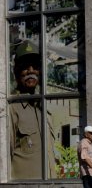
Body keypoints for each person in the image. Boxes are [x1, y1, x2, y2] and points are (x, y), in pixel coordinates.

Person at [9, 39, 56, 179]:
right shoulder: (11, 109)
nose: (31, 71)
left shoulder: (43, 108)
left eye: (35, 66)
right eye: (25, 67)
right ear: (16, 72)